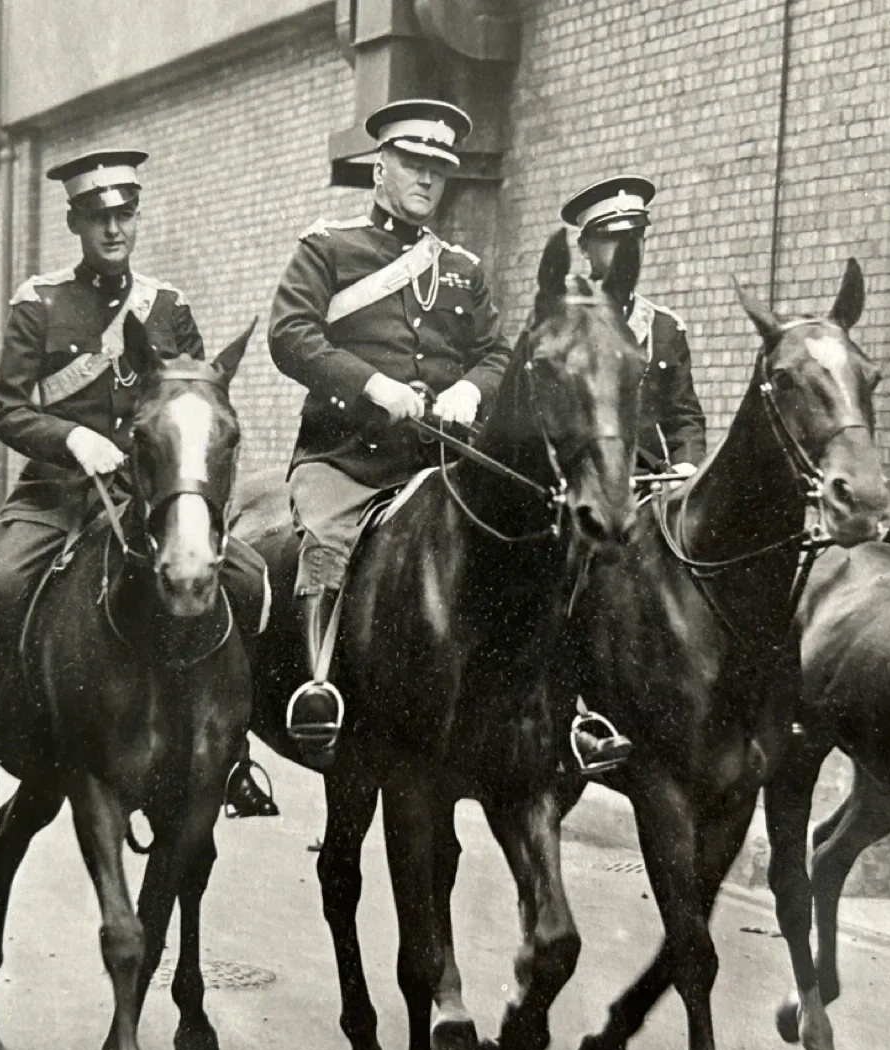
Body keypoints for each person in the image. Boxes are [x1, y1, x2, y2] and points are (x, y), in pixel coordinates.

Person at [261, 98, 626, 773]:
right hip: (347, 461)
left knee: (537, 550)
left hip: (440, 464)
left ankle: (566, 708)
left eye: (438, 168)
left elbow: (495, 353)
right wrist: (375, 386)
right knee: (326, 541)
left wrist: (468, 391)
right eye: (412, 164)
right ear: (380, 166)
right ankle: (318, 684)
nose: (427, 180)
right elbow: (290, 336)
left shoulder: (462, 267)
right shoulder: (329, 248)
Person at [0, 149, 271, 815]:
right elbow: (8, 409)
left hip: (148, 497)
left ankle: (232, 751)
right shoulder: (40, 303)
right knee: (1, 583)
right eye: (98, 217)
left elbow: (196, 397)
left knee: (249, 577)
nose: (114, 228)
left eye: (124, 214)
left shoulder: (169, 307)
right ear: (75, 221)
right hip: (58, 496)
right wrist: (72, 438)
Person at [560, 175, 707, 477]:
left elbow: (684, 418)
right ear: (585, 248)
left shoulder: (663, 329)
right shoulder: (560, 323)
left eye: (636, 237)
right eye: (613, 238)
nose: (628, 250)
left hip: (648, 487)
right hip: (576, 488)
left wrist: (684, 467)